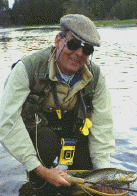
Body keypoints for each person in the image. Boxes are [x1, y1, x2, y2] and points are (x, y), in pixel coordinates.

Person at [0, 14, 115, 193]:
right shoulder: (27, 68)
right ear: (58, 40)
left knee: (88, 180)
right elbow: (7, 122)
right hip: (41, 135)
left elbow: (103, 127)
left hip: (74, 131)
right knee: (46, 146)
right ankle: (37, 180)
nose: (79, 54)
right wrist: (40, 170)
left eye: (87, 50)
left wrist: (103, 174)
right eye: (74, 44)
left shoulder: (96, 77)